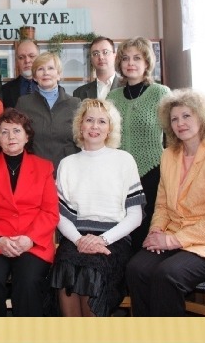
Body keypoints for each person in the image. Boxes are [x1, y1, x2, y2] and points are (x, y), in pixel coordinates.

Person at [126, 89, 205, 316]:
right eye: (174, 119)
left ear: (202, 118)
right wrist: (156, 231)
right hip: (173, 233)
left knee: (167, 275)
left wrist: (171, 240)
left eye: (186, 116)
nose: (180, 123)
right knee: (136, 269)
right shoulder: (168, 155)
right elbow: (162, 205)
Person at [51, 99, 145, 317]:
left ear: (110, 128)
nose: (95, 126)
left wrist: (103, 240)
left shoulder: (124, 160)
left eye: (102, 121)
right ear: (80, 125)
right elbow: (60, 215)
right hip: (75, 237)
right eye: (89, 120)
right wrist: (79, 240)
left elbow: (135, 215)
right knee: (65, 268)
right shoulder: (67, 164)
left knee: (91, 272)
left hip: (114, 239)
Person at [0, 108, 59, 317]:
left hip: (32, 242)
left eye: (16, 131)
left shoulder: (44, 167)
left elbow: (50, 212)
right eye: (4, 132)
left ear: (27, 136)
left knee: (27, 281)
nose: (11, 136)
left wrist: (29, 239)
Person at [107, 37, 171, 252]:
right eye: (125, 58)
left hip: (153, 172)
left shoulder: (160, 93)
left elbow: (172, 136)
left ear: (147, 63)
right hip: (119, 174)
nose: (130, 63)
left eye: (137, 58)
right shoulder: (113, 96)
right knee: (123, 227)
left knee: (148, 226)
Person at [16, 52, 80, 174]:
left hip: (68, 171)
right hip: (34, 171)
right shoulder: (23, 104)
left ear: (59, 74)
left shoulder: (75, 104)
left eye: (51, 68)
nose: (46, 73)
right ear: (35, 77)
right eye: (40, 69)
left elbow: (81, 140)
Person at [73, 36, 118, 101]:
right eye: (96, 54)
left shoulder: (127, 88)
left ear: (115, 56)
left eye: (105, 52)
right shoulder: (79, 93)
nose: (101, 57)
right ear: (91, 60)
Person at [2, 39, 40, 109]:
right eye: (21, 57)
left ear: (39, 58)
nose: (27, 61)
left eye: (31, 56)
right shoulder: (5, 90)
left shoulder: (50, 87)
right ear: (17, 62)